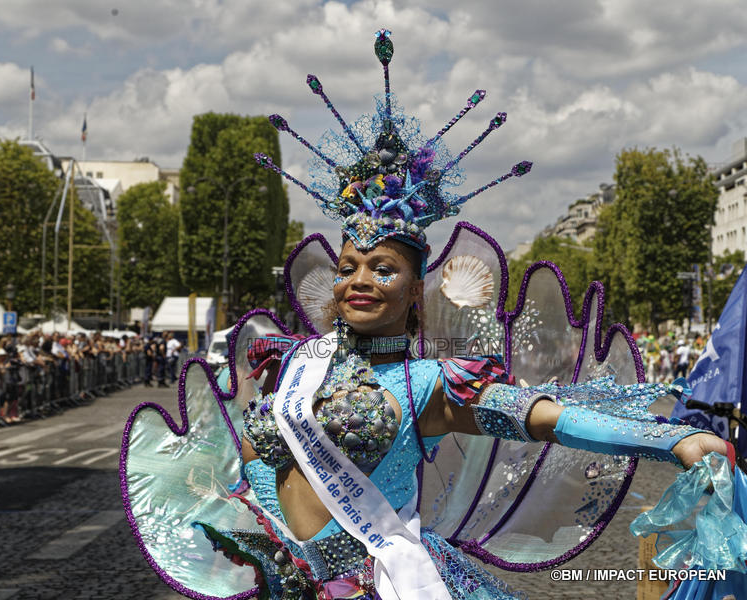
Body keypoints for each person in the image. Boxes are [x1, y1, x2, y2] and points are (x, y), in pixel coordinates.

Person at [121, 30, 743, 599]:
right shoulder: (291, 365)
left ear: (417, 293)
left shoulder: (432, 385)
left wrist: (676, 438)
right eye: (348, 268)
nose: (360, 281)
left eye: (383, 268)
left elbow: (553, 420)